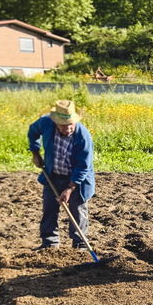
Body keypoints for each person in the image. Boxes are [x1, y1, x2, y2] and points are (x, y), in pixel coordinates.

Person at [28, 99, 95, 250]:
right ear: (56, 122)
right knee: (49, 208)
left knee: (78, 211)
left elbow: (83, 166)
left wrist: (70, 189)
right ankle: (49, 243)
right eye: (65, 125)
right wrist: (35, 152)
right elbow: (33, 131)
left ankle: (80, 246)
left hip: (77, 180)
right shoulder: (46, 123)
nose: (69, 128)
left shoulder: (83, 136)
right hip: (53, 174)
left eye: (71, 123)